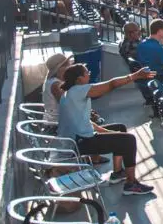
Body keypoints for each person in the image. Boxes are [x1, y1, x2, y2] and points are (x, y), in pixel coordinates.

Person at [58, 63, 155, 195]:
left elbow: (87, 123)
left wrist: (112, 133)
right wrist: (135, 76)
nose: (89, 75)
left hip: (78, 138)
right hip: (78, 143)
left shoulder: (70, 93)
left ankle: (118, 173)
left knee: (120, 128)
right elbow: (111, 84)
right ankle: (131, 184)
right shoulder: (77, 91)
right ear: (79, 78)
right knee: (129, 140)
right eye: (87, 73)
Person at [136, 19, 163, 88]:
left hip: (145, 77)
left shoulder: (141, 43)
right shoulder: (158, 48)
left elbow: (153, 57)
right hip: (157, 78)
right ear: (159, 31)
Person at [42, 53, 73, 123]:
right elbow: (67, 105)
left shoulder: (52, 80)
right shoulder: (56, 84)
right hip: (56, 124)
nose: (71, 66)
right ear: (60, 68)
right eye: (68, 65)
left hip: (56, 119)